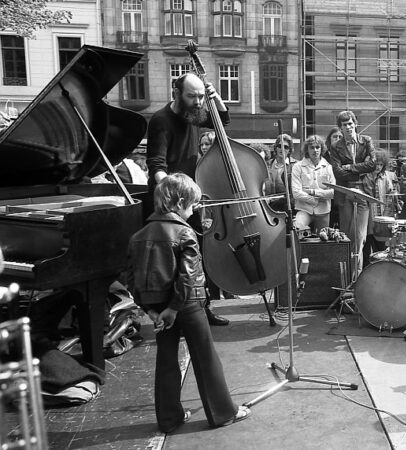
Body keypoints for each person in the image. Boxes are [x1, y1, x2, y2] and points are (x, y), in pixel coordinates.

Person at [126, 173, 250, 433]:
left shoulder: (138, 235)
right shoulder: (185, 233)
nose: (193, 210)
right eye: (192, 205)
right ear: (180, 202)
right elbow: (187, 277)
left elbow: (132, 278)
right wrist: (174, 308)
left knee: (167, 360)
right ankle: (223, 413)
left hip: (158, 308)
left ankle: (169, 419)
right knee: (205, 358)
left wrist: (152, 311)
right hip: (187, 305)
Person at [145, 72, 230, 326]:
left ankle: (202, 310)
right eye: (192, 96)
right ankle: (174, 313)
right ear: (177, 93)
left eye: (201, 96)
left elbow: (222, 120)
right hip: (170, 202)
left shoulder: (194, 115)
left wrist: (217, 99)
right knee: (174, 261)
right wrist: (175, 192)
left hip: (189, 201)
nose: (197, 101)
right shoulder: (161, 120)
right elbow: (157, 166)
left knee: (196, 257)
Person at [328, 111, 376, 271]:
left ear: (355, 124)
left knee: (360, 238)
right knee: (347, 237)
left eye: (350, 123)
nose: (348, 127)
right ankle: (347, 277)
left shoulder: (366, 141)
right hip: (345, 192)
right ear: (340, 128)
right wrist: (360, 169)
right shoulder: (335, 147)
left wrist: (349, 167)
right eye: (344, 125)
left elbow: (373, 165)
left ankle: (357, 277)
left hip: (363, 192)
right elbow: (337, 172)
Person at [291, 135, 335, 235]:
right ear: (307, 149)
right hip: (304, 209)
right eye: (312, 147)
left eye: (317, 147)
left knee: (323, 239)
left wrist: (312, 192)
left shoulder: (328, 167)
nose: (315, 150)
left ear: (321, 148)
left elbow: (333, 193)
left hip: (323, 211)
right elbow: (296, 193)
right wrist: (314, 200)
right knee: (297, 228)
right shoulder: (298, 167)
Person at [362, 149, 399, 263]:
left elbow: (390, 195)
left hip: (382, 219)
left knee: (382, 250)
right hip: (367, 219)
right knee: (366, 249)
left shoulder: (385, 177)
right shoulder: (364, 177)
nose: (378, 167)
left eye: (381, 164)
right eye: (376, 164)